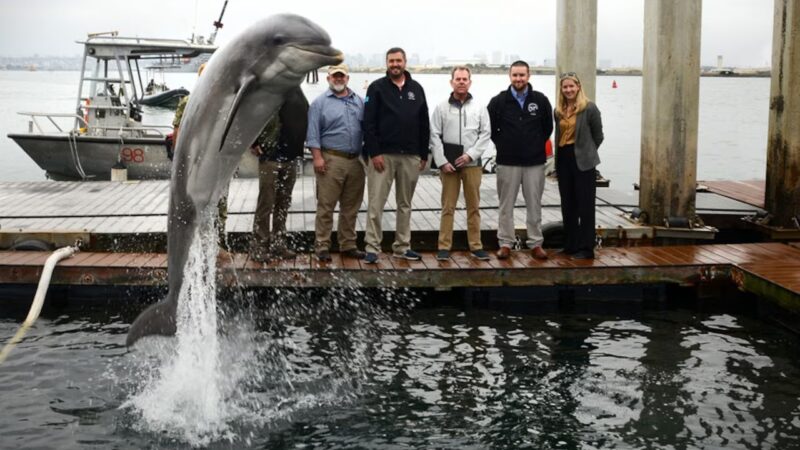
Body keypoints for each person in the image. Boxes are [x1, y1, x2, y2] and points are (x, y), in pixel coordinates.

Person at [362, 47, 430, 264]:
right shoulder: (376, 88)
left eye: (398, 61)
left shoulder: (416, 89)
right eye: (391, 61)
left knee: (405, 204)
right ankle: (372, 247)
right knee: (376, 203)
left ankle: (402, 246)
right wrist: (375, 152)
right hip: (383, 156)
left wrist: (423, 153)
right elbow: (368, 123)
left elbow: (423, 123)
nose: (395, 65)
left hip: (410, 155)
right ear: (386, 63)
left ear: (405, 62)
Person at [487, 60, 554, 260]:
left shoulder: (540, 100)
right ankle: (506, 242)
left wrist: (532, 145)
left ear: (528, 76)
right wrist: (505, 144)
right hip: (507, 162)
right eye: (515, 75)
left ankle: (535, 243)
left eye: (522, 75)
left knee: (534, 203)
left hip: (534, 162)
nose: (518, 79)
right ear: (510, 76)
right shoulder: (498, 101)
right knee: (505, 205)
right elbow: (491, 130)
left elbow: (547, 128)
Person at [429, 66, 493, 261]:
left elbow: (485, 134)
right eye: (458, 79)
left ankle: (476, 245)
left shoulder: (480, 108)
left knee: (473, 206)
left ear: (470, 82)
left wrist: (470, 155)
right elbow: (434, 135)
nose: (461, 82)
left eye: (465, 79)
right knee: (448, 206)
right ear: (452, 82)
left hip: (472, 165)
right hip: (449, 166)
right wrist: (441, 162)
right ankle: (444, 246)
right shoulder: (441, 108)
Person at [306, 64, 366, 262]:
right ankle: (322, 245)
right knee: (326, 205)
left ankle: (347, 244)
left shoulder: (358, 100)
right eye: (335, 76)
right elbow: (313, 134)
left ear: (347, 78)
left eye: (342, 76)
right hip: (330, 159)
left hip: (355, 160)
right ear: (328, 79)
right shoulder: (319, 103)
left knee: (351, 206)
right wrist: (317, 158)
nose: (338, 79)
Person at [171, 63, 230, 251]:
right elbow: (177, 132)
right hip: (194, 161)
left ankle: (217, 243)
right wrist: (179, 161)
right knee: (192, 202)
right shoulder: (188, 101)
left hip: (217, 162)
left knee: (220, 203)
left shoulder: (223, 102)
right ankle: (193, 243)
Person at [251, 87, 309, 262]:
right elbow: (251, 117)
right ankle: (259, 247)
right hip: (270, 157)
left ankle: (278, 244)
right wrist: (253, 142)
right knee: (266, 203)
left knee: (283, 203)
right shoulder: (267, 92)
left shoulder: (298, 94)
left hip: (290, 158)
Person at [554, 72, 604, 260]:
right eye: (565, 87)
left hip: (583, 161)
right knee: (568, 205)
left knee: (585, 205)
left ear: (578, 86)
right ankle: (570, 245)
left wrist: (587, 151)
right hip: (564, 159)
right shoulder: (558, 110)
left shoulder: (589, 108)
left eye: (571, 86)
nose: (568, 90)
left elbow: (598, 136)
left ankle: (586, 248)